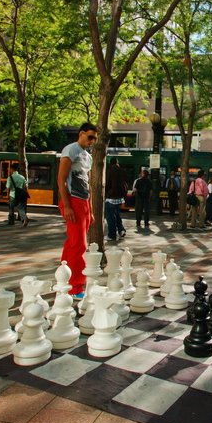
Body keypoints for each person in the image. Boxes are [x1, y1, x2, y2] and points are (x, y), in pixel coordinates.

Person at [57, 122, 97, 298]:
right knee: (79, 244)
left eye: (95, 138)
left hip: (84, 203)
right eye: (90, 137)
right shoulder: (70, 150)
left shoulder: (88, 157)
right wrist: (67, 205)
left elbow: (87, 184)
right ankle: (75, 287)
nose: (92, 141)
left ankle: (64, 278)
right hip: (73, 200)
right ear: (81, 134)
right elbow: (61, 179)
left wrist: (91, 209)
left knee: (74, 243)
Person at [104, 157, 127, 241]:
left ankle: (112, 235)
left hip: (111, 197)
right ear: (117, 163)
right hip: (120, 197)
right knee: (117, 215)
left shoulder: (109, 171)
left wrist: (107, 194)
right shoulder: (122, 171)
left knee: (110, 217)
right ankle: (121, 230)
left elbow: (107, 183)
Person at [6, 162, 29, 227]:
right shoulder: (22, 177)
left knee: (11, 208)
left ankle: (11, 222)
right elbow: (25, 186)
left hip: (13, 194)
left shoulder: (10, 178)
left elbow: (8, 188)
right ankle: (24, 218)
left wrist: (7, 196)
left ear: (12, 169)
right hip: (20, 195)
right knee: (21, 208)